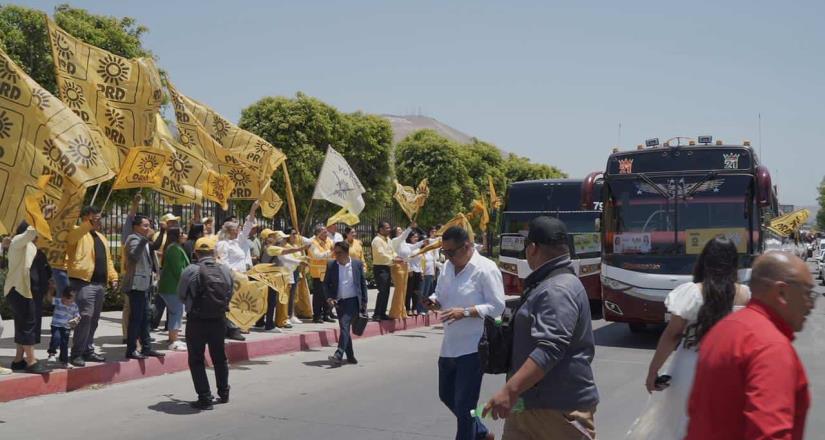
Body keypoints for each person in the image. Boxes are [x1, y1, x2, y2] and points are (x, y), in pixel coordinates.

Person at [484, 216, 599, 440]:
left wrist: (510, 390)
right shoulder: (548, 284)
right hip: (528, 405)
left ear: (533, 249)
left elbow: (550, 346)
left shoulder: (557, 289)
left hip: (557, 411)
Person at [626, 237, 750, 439]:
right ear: (734, 263)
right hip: (731, 372)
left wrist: (653, 371)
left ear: (704, 261)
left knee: (681, 426)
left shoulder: (691, 293)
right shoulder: (745, 294)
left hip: (689, 370)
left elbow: (672, 334)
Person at [686, 252, 814, 440]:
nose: (810, 305)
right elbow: (769, 434)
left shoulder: (724, 329)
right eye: (807, 293)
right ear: (782, 293)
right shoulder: (770, 346)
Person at [424, 226, 505, 440]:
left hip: (474, 347)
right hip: (450, 345)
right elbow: (440, 293)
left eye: (452, 252)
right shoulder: (448, 268)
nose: (448, 257)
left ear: (467, 246)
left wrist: (467, 312)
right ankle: (480, 432)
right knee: (447, 395)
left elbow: (498, 307)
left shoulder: (485, 269)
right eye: (445, 253)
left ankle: (471, 433)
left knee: (464, 405)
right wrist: (434, 301)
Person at [178, 236, 235, 410]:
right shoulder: (225, 270)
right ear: (214, 252)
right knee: (219, 357)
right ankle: (223, 392)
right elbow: (230, 292)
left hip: (197, 320)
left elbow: (181, 295)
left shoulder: (190, 270)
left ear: (195, 252)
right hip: (218, 319)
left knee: (196, 359)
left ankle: (204, 397)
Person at [67, 206, 118, 367]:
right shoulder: (77, 231)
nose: (99, 221)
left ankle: (88, 350)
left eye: (99, 218)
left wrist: (113, 276)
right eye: (95, 218)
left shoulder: (102, 237)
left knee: (94, 320)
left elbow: (108, 260)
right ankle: (77, 353)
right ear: (86, 217)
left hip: (99, 284)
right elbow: (71, 238)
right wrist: (88, 223)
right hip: (83, 282)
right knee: (85, 317)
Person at [5, 221, 52, 373]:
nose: (37, 236)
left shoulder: (29, 247)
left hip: (25, 292)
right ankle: (31, 361)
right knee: (27, 325)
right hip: (19, 291)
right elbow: (30, 233)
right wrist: (40, 216)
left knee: (22, 325)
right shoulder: (17, 242)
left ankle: (18, 360)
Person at [122, 215, 165, 360]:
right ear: (136, 226)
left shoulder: (143, 240)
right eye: (145, 225)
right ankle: (131, 349)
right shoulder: (133, 239)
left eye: (149, 225)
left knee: (145, 318)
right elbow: (134, 257)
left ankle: (147, 348)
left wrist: (163, 231)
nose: (148, 228)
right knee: (136, 318)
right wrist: (146, 238)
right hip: (136, 285)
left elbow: (155, 246)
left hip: (144, 285)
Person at [216, 201, 260, 341]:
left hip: (242, 278)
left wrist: (253, 208)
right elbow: (223, 262)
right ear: (230, 231)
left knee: (240, 303)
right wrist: (235, 273)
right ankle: (231, 329)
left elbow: (248, 224)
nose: (239, 230)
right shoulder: (223, 244)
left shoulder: (239, 241)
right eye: (236, 228)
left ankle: (238, 325)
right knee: (231, 303)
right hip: (232, 279)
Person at [324, 241, 369, 365]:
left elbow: (362, 284)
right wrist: (329, 298)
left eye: (339, 253)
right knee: (345, 328)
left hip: (353, 301)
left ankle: (338, 354)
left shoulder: (356, 264)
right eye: (335, 252)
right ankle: (350, 356)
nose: (336, 255)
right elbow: (326, 284)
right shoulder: (331, 265)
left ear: (346, 252)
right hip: (339, 302)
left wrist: (364, 302)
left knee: (344, 326)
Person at [259, 229, 308, 330]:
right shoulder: (270, 248)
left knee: (269, 301)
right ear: (267, 238)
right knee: (270, 301)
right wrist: (300, 249)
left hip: (271, 277)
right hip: (269, 277)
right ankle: (269, 324)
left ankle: (262, 322)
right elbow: (285, 253)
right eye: (273, 236)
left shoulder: (272, 247)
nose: (279, 239)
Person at [158, 226, 190, 351]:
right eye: (182, 233)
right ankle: (173, 340)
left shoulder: (174, 248)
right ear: (176, 235)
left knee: (175, 312)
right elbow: (179, 271)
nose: (185, 235)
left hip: (170, 287)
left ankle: (173, 338)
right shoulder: (174, 249)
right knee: (176, 312)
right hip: (172, 287)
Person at [308, 224, 335, 323]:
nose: (326, 234)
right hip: (318, 273)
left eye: (326, 232)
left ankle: (326, 315)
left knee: (327, 295)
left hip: (328, 272)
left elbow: (335, 249)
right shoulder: (312, 242)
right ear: (317, 233)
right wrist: (330, 252)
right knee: (318, 296)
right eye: (324, 232)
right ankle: (317, 316)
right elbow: (317, 256)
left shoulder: (329, 241)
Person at [46, 288, 80, 366]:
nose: (68, 303)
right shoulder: (58, 301)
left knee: (64, 344)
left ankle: (64, 361)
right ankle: (52, 353)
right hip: (56, 325)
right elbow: (49, 299)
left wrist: (75, 320)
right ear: (63, 297)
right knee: (56, 338)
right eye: (66, 300)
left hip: (66, 327)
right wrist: (50, 288)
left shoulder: (74, 306)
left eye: (71, 300)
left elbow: (77, 316)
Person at [370, 221, 394, 321]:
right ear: (381, 229)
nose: (389, 229)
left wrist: (398, 258)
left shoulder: (388, 239)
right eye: (387, 228)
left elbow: (393, 252)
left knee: (387, 291)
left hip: (387, 267)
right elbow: (381, 254)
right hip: (380, 268)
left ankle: (382, 313)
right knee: (382, 291)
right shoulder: (377, 240)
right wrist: (393, 259)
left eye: (389, 227)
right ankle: (377, 314)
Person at [406, 231, 424, 316]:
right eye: (414, 237)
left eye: (417, 237)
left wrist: (421, 272)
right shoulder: (408, 247)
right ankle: (407, 308)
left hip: (418, 271)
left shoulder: (418, 248)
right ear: (410, 238)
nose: (416, 239)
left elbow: (420, 262)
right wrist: (409, 270)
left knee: (416, 291)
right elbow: (407, 259)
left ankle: (414, 308)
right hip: (411, 271)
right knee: (409, 291)